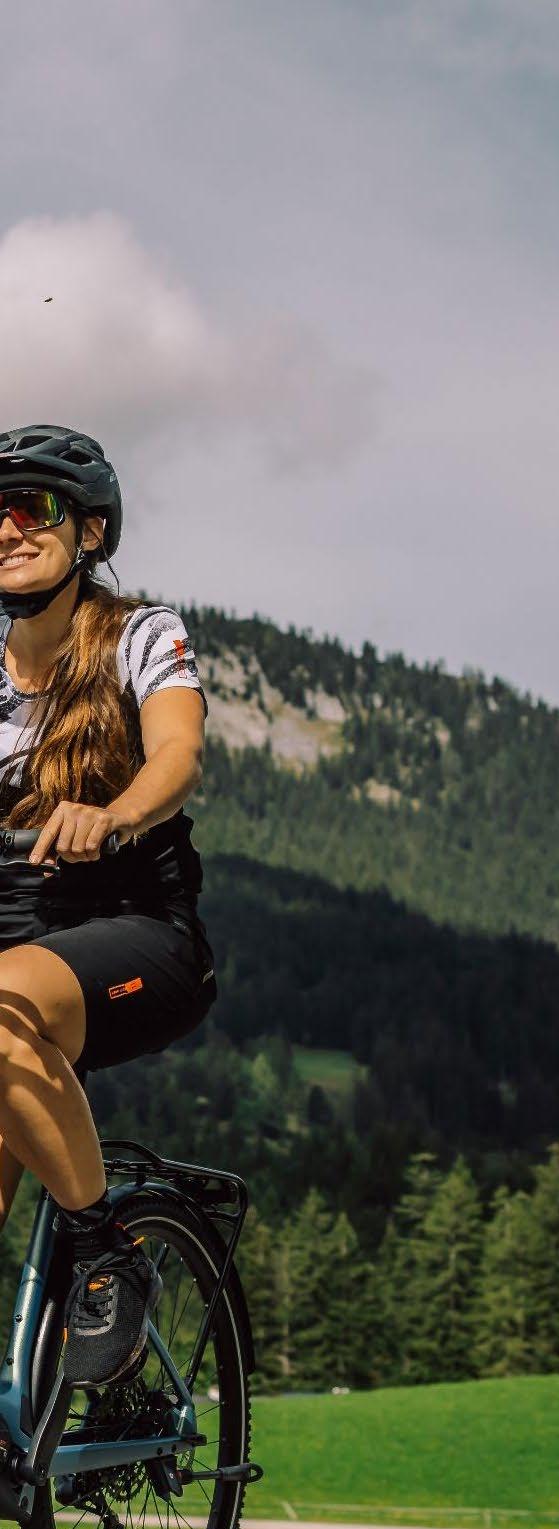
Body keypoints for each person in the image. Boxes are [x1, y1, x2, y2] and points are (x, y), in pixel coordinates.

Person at [0, 426, 216, 1386]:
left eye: (32, 506)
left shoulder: (140, 636)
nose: (7, 529)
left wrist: (116, 813)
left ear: (89, 530)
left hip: (136, 927)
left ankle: (106, 1253)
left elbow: (177, 754)